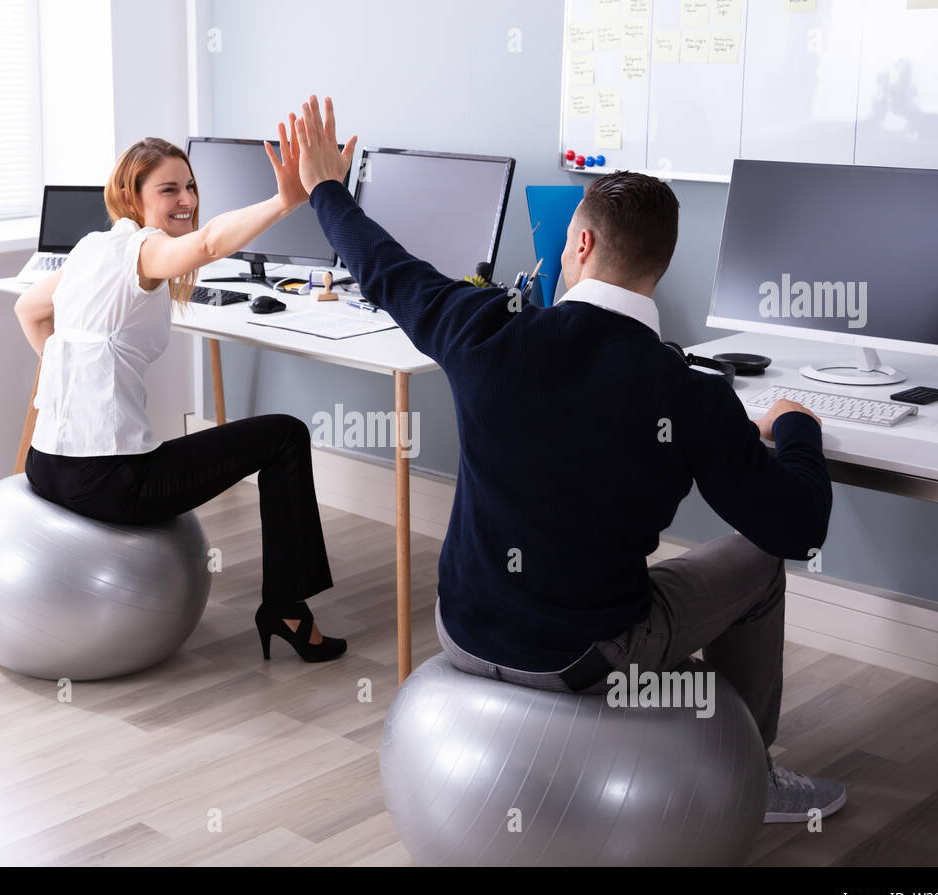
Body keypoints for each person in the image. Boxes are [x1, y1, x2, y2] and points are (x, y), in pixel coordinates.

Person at [289, 94, 843, 823]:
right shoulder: (692, 394)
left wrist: (325, 186)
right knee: (757, 564)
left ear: (579, 246)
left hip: (461, 629)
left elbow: (385, 268)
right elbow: (798, 529)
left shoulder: (479, 329)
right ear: (662, 263)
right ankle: (755, 775)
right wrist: (798, 429)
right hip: (587, 657)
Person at [13, 119, 344, 663]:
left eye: (190, 186)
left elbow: (28, 310)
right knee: (286, 435)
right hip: (110, 483)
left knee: (264, 437)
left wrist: (77, 379)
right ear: (131, 196)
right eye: (169, 189)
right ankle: (286, 609)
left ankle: (287, 606)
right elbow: (211, 242)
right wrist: (288, 200)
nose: (186, 199)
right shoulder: (143, 250)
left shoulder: (90, 249)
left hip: (47, 466)